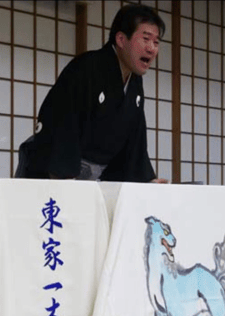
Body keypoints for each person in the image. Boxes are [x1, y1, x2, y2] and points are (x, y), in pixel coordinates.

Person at [16, 4, 167, 183]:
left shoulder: (134, 83)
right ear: (121, 39)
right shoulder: (86, 68)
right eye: (146, 39)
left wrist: (146, 180)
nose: (151, 48)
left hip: (92, 178)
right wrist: (64, 175)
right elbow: (59, 122)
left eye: (156, 42)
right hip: (53, 173)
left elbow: (136, 139)